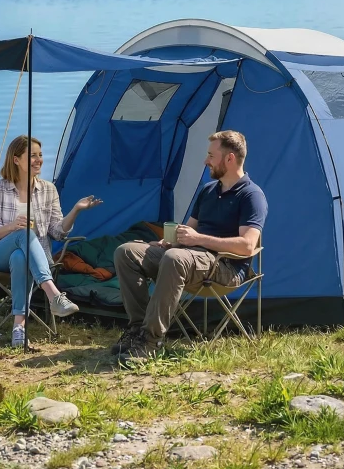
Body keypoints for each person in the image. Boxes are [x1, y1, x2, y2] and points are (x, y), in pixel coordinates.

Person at [113, 130, 267, 363]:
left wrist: (197, 240)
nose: (206, 161)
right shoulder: (207, 191)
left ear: (230, 159)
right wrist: (171, 241)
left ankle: (151, 341)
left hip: (225, 267)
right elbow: (189, 230)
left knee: (175, 258)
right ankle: (137, 330)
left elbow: (247, 246)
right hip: (191, 257)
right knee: (127, 252)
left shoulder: (251, 195)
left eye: (210, 156)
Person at [0, 135, 102, 348]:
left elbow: (57, 232)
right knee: (25, 234)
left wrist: (75, 210)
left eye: (40, 155)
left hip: (32, 257)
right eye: (32, 156)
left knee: (21, 257)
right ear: (16, 160)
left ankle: (18, 328)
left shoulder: (49, 190)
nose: (39, 160)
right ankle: (54, 294)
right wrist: (12, 227)